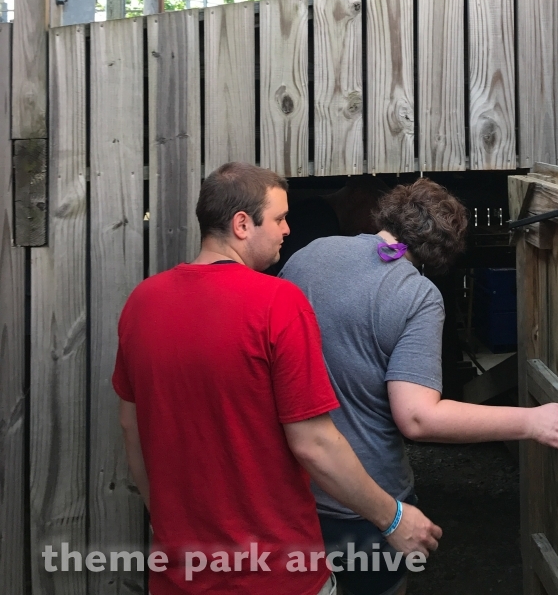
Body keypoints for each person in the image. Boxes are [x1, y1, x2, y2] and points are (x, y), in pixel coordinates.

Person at [113, 163, 440, 595]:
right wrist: (393, 517)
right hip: (276, 574)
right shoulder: (277, 303)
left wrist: (167, 521)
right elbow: (314, 443)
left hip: (180, 573)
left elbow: (130, 426)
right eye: (280, 218)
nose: (288, 229)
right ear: (242, 224)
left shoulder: (142, 303)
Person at [280, 179, 558, 595]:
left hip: (293, 491)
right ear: (444, 249)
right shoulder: (416, 295)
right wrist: (534, 422)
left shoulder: (310, 254)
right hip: (368, 504)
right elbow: (417, 417)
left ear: (389, 212)